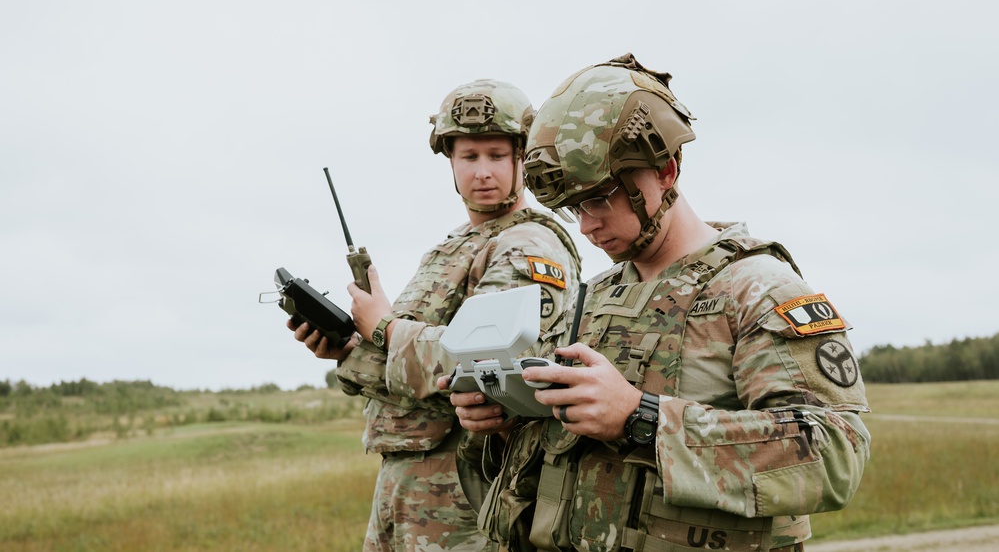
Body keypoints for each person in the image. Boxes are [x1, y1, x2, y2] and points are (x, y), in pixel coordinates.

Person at [444, 54, 871, 552]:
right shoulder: (595, 296)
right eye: (575, 207)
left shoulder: (755, 289)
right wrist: (507, 420)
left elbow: (836, 453)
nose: (586, 226)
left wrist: (641, 418)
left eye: (601, 198)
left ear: (665, 171)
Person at [290, 79, 581, 552]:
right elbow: (411, 355)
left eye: (495, 155)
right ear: (450, 161)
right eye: (469, 157)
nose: (482, 172)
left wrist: (381, 328)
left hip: (468, 487)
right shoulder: (452, 247)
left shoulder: (528, 244)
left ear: (522, 158)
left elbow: (487, 366)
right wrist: (346, 348)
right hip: (407, 483)